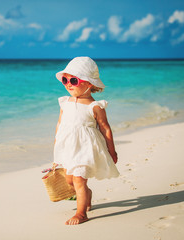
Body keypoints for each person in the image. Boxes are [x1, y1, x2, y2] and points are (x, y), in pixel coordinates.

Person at [53, 57, 120, 225]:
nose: (68, 84)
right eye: (65, 80)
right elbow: (60, 124)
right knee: (69, 180)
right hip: (69, 147)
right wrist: (56, 145)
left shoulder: (95, 106)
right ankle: (87, 194)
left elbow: (105, 128)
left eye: (73, 80)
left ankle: (81, 213)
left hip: (86, 147)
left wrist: (112, 150)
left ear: (89, 83)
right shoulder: (65, 102)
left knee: (78, 179)